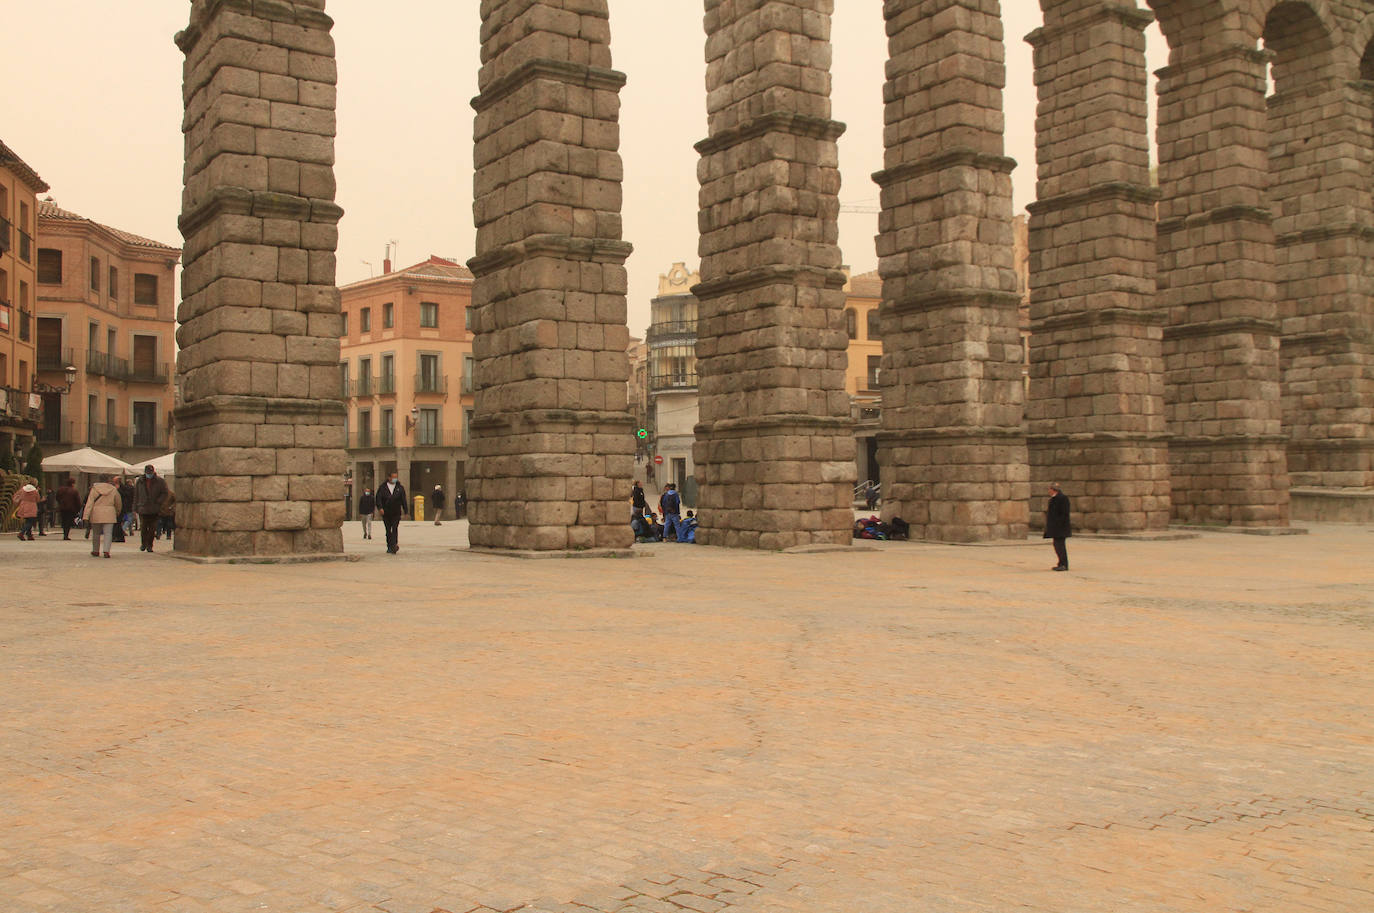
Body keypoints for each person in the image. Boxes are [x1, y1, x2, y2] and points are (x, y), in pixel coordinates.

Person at [133, 464, 171, 553]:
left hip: (154, 508)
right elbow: (136, 494)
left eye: (150, 472)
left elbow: (165, 493)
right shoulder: (140, 481)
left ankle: (150, 545)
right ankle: (143, 543)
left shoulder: (160, 481)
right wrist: (135, 507)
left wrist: (159, 501)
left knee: (152, 528)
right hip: (143, 507)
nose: (149, 474)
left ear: (153, 472)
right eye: (147, 472)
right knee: (143, 527)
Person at [82, 474, 122, 558]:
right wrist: (117, 511)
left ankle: (95, 550)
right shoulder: (113, 489)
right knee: (108, 533)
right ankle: (106, 551)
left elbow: (89, 503)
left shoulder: (94, 489)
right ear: (108, 480)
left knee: (96, 533)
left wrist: (86, 516)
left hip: (96, 513)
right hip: (109, 513)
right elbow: (118, 502)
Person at [376, 470, 409, 554]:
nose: (395, 479)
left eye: (396, 477)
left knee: (394, 529)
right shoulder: (383, 487)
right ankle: (389, 545)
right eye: (393, 477)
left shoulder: (400, 488)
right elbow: (378, 498)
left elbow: (403, 500)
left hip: (396, 512)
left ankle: (394, 545)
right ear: (389, 478)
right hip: (386, 512)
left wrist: (406, 511)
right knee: (388, 530)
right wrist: (380, 508)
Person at [1043, 482, 1071, 571]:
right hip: (1055, 527)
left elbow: (1064, 513)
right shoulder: (1053, 499)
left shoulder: (1062, 498)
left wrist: (1059, 524)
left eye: (1049, 489)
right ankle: (1060, 563)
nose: (1048, 491)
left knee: (1060, 546)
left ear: (1053, 489)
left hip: (1060, 528)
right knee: (1057, 545)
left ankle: (1064, 564)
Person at [116, 476, 135, 542]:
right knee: (129, 519)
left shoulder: (121, 489)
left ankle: (131, 531)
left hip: (123, 506)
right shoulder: (131, 489)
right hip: (129, 506)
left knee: (127, 519)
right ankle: (123, 530)